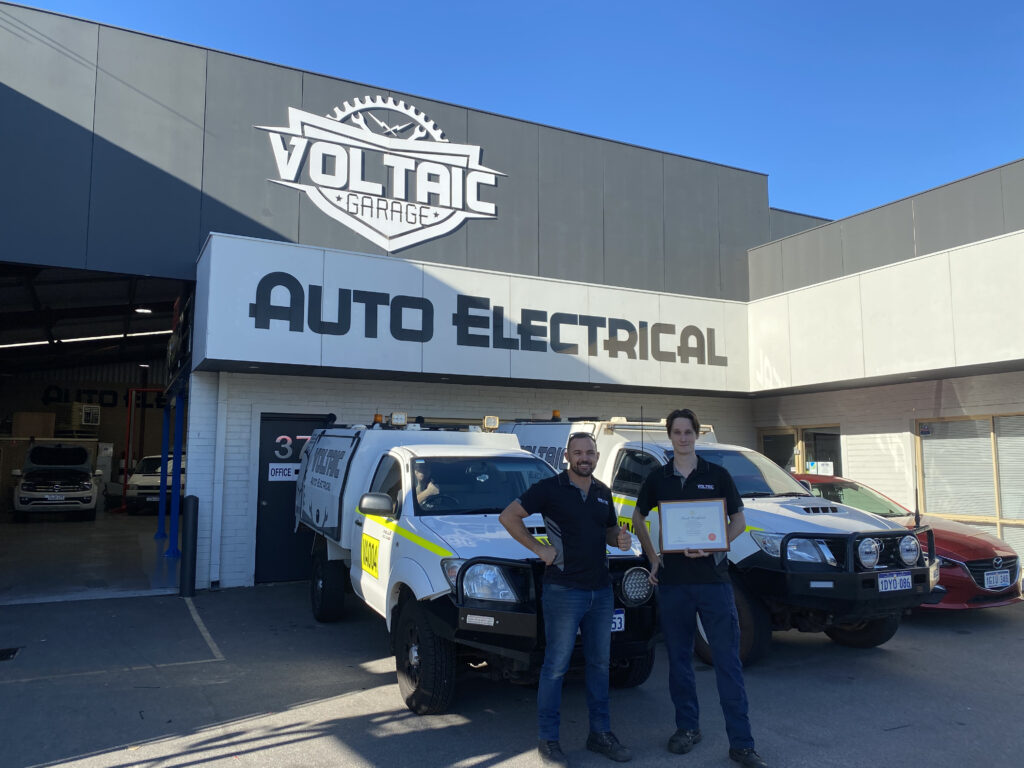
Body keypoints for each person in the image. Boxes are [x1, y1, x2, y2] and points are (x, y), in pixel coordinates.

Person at [632, 409, 768, 768]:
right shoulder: (658, 478)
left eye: (688, 432)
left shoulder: (717, 475)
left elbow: (739, 520)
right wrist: (654, 558)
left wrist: (715, 542)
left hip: (713, 583)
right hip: (674, 584)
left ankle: (742, 743)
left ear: (696, 435)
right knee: (679, 663)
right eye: (676, 432)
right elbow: (637, 517)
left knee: (728, 663)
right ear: (670, 436)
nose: (683, 438)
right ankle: (687, 728)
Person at [499, 432, 633, 766]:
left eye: (589, 453)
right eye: (578, 453)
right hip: (563, 591)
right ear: (567, 456)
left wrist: (618, 538)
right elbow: (509, 517)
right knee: (555, 668)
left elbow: (606, 531)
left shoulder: (603, 492)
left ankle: (600, 734)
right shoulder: (550, 488)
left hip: (600, 592)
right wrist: (539, 549)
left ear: (597, 456)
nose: (584, 458)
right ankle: (549, 740)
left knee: (600, 666)